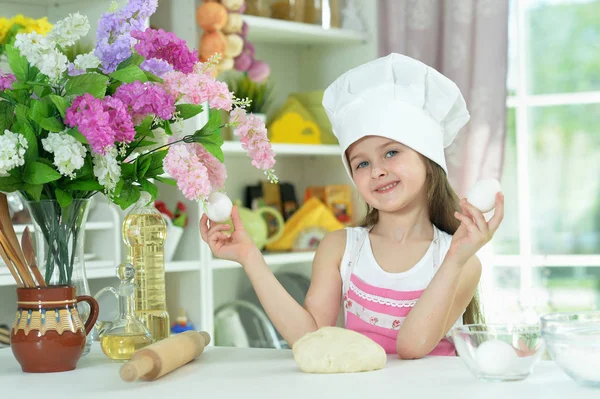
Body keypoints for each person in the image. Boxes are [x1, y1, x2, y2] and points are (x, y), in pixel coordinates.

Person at [200, 53, 504, 359]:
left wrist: (455, 259)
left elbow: (412, 347)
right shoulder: (341, 248)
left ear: (428, 159)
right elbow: (311, 338)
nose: (376, 171)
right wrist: (249, 256)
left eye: (391, 152)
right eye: (361, 163)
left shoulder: (458, 260)